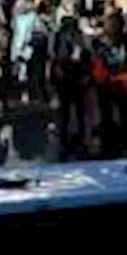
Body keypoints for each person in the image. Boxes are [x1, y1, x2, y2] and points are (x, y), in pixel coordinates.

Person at [51, 14, 90, 155]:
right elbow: (82, 57)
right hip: (75, 79)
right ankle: (80, 139)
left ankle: (64, 139)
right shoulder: (77, 38)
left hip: (65, 79)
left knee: (65, 111)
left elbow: (54, 57)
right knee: (78, 111)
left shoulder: (59, 37)